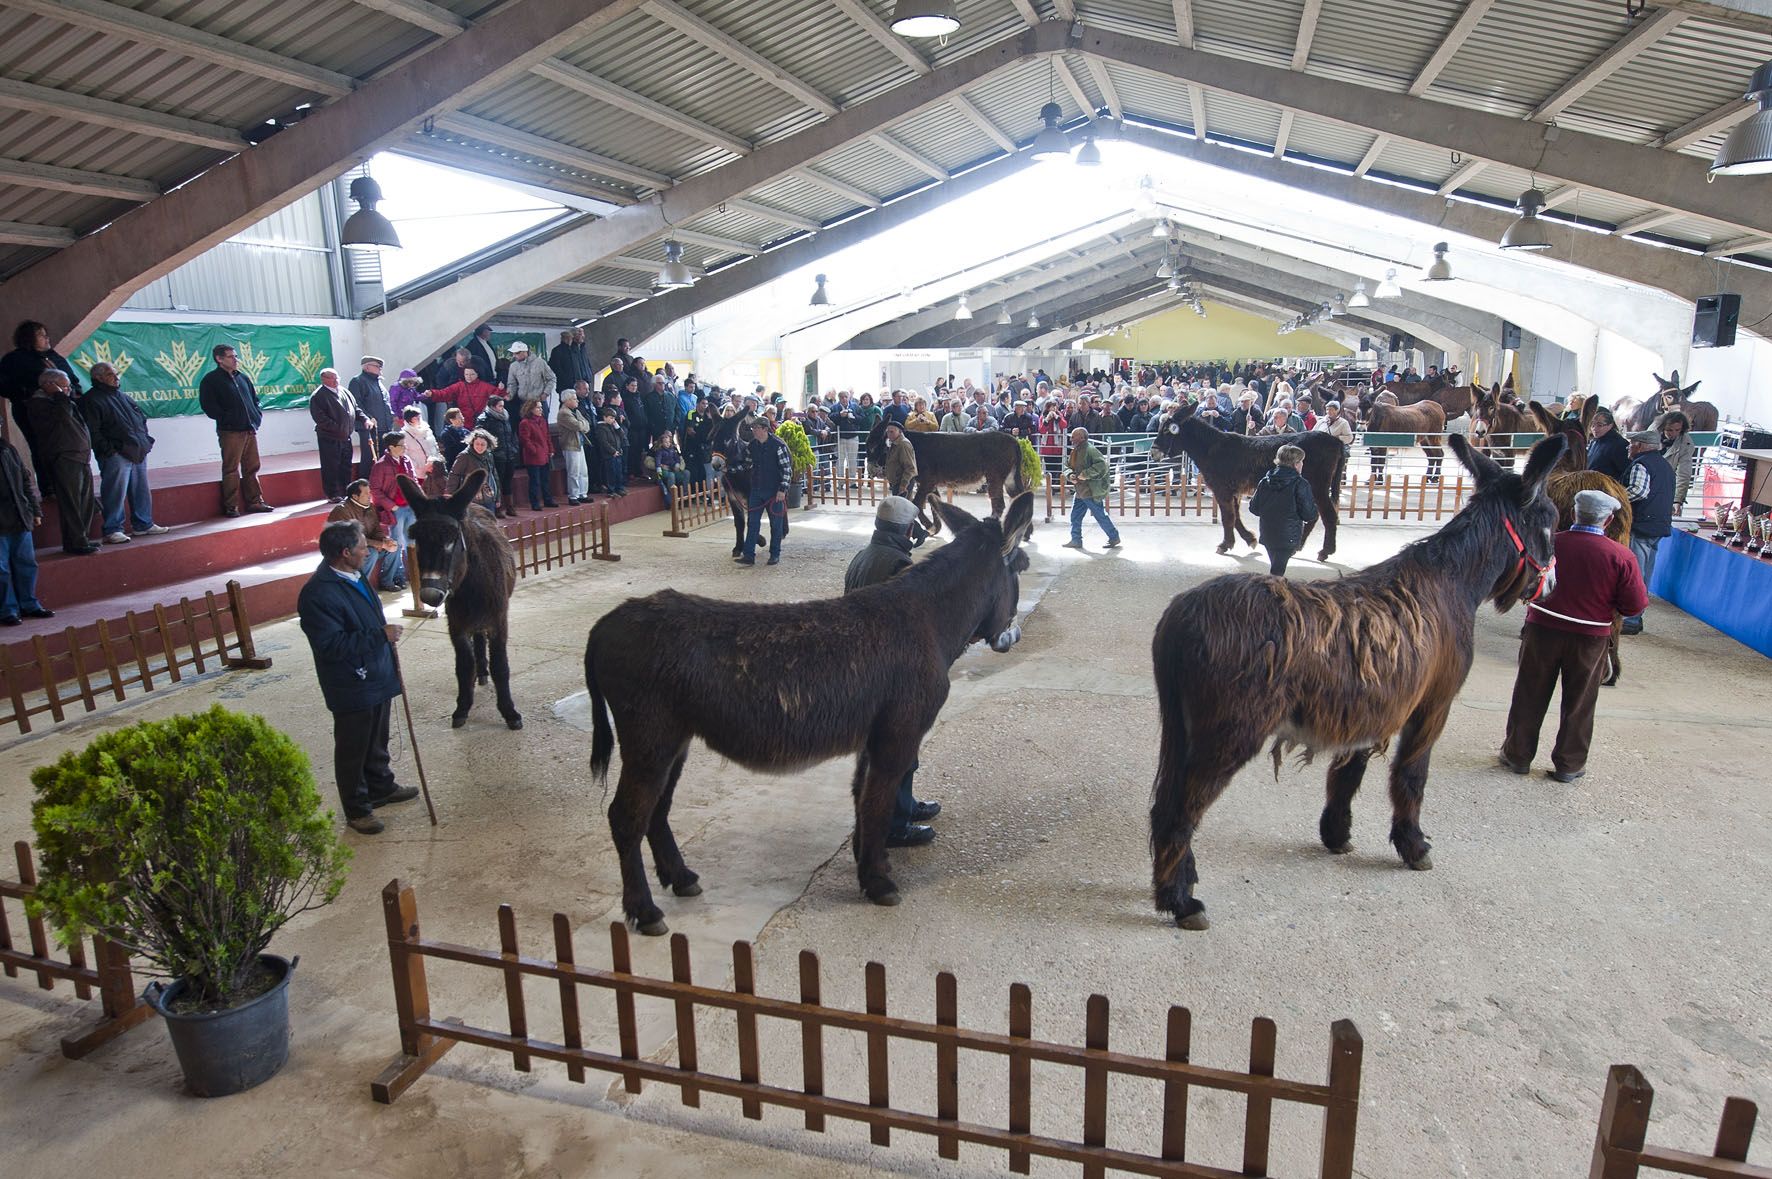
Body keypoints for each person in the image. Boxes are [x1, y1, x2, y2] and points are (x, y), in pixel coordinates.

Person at [1500, 489, 1647, 783]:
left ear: (1572, 515)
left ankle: (1517, 755)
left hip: (1542, 629)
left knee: (1529, 692)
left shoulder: (1550, 544)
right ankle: (1568, 764)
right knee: (1580, 702)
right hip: (1589, 638)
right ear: (1607, 521)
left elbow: (1520, 581)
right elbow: (1634, 605)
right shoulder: (1621, 556)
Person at [296, 520, 420, 835]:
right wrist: (380, 636)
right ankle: (357, 809)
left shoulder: (355, 575)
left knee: (377, 738)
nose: (368, 551)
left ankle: (381, 786)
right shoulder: (317, 594)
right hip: (351, 683)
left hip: (376, 674)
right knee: (353, 747)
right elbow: (330, 646)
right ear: (345, 552)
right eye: (363, 546)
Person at [843, 496, 944, 847]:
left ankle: (904, 805)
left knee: (886, 751)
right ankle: (896, 823)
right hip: (888, 672)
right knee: (897, 750)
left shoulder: (863, 557)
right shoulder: (897, 564)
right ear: (906, 529)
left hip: (862, 667)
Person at [79, 362, 167, 543]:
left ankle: (143, 524)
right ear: (99, 377)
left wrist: (146, 442)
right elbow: (92, 431)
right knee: (114, 491)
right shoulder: (91, 400)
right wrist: (110, 450)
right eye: (111, 374)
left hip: (137, 451)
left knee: (141, 489)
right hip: (116, 455)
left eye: (116, 373)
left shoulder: (124, 397)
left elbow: (140, 421)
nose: (116, 377)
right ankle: (113, 528)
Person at [0, 320, 82, 493]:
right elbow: (4, 386)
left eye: (46, 334)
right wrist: (30, 391)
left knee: (68, 446)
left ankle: (71, 486)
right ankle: (49, 487)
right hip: (31, 410)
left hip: (62, 409)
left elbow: (74, 382)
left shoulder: (55, 357)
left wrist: (69, 391)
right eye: (41, 334)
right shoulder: (15, 360)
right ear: (29, 338)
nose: (47, 338)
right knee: (39, 447)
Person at [25, 370, 98, 555]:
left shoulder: (64, 401)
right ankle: (76, 543)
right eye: (63, 387)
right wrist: (58, 394)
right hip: (64, 458)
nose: (67, 390)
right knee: (72, 505)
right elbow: (63, 418)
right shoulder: (39, 403)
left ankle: (83, 538)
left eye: (67, 387)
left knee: (85, 503)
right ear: (49, 385)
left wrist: (61, 395)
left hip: (80, 457)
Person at [197, 342, 272, 516]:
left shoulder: (242, 377)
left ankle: (255, 501)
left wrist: (256, 416)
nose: (235, 359)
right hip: (230, 431)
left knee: (252, 467)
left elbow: (254, 400)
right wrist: (228, 419)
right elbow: (209, 406)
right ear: (219, 359)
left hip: (249, 429)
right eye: (231, 356)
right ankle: (231, 505)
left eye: (235, 356)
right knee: (231, 469)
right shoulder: (211, 380)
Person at [1621, 428, 1673, 636]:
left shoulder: (1641, 464)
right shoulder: (1665, 465)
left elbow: (1638, 491)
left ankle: (1631, 618)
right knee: (1645, 573)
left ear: (1640, 446)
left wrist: (1614, 496)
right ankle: (1637, 615)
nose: (1628, 447)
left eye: (1631, 443)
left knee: (1636, 572)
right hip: (1658, 524)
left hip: (1642, 524)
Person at [0, 431, 51, 625]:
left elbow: (25, 482)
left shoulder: (8, 449)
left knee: (27, 563)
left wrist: (35, 510)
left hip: (20, 517)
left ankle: (30, 604)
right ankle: (7, 610)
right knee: (1, 570)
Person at [1249, 444, 1318, 575]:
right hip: (1288, 536)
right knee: (1277, 573)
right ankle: (1272, 593)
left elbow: (1254, 508)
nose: (1302, 464)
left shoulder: (1264, 481)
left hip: (1268, 534)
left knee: (1277, 568)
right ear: (1295, 464)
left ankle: (1274, 590)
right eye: (1301, 461)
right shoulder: (1300, 484)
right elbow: (1309, 515)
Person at [326, 478, 401, 590]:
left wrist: (385, 540)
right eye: (366, 493)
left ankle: (387, 582)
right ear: (355, 497)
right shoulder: (342, 511)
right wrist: (379, 544)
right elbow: (353, 539)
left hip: (367, 545)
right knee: (371, 553)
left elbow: (376, 530)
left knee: (395, 547)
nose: (369, 495)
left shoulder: (370, 507)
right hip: (346, 550)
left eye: (369, 492)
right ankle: (360, 587)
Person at [310, 367, 368, 502]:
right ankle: (333, 494)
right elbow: (320, 418)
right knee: (331, 466)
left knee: (346, 465)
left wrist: (364, 418)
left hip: (346, 436)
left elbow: (356, 409)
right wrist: (338, 428)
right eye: (332, 378)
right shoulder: (318, 396)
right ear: (324, 379)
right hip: (329, 437)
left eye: (337, 378)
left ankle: (346, 491)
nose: (336, 381)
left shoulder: (344, 392)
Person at [737, 417, 790, 566]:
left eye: (756, 428)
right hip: (756, 490)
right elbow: (747, 465)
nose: (753, 431)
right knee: (752, 523)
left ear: (765, 429)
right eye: (753, 428)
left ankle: (775, 554)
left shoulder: (778, 445)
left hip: (774, 491)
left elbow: (786, 469)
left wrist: (782, 489)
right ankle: (748, 555)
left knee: (776, 525)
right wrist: (732, 470)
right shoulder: (752, 446)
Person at [1061, 427, 1121, 552]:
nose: (1071, 439)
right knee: (1075, 516)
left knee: (1100, 516)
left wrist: (1086, 474)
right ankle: (1076, 539)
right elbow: (1066, 466)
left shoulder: (1091, 450)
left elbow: (1102, 466)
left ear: (1082, 438)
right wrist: (1070, 474)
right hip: (1081, 491)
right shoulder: (1075, 451)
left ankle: (1114, 537)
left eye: (1073, 436)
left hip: (1090, 491)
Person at [369, 432, 416, 591]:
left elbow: (413, 482)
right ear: (391, 447)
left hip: (410, 507)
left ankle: (404, 576)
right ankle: (388, 579)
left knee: (411, 542)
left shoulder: (407, 461)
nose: (405, 448)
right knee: (396, 544)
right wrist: (391, 506)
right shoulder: (380, 466)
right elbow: (375, 490)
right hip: (394, 510)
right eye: (402, 445)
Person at [349, 356, 393, 480]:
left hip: (384, 427)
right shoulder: (357, 381)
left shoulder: (379, 382)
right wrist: (368, 417)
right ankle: (366, 484)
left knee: (384, 458)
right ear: (367, 367)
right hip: (368, 427)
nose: (380, 370)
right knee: (369, 457)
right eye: (377, 367)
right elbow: (356, 403)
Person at [475, 394, 518, 517]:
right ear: (492, 407)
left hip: (509, 454)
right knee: (496, 482)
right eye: (500, 406)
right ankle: (498, 508)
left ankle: (510, 506)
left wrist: (514, 449)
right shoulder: (484, 419)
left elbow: (511, 435)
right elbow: (480, 437)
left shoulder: (505, 417)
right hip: (495, 456)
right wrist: (490, 452)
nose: (502, 408)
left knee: (507, 481)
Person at [517, 396, 557, 511]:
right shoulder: (525, 423)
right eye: (538, 408)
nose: (541, 410)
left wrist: (551, 449)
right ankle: (535, 502)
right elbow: (525, 440)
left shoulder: (543, 421)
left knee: (545, 479)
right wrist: (534, 450)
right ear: (531, 409)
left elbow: (547, 436)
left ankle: (547, 499)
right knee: (535, 481)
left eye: (541, 407)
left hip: (544, 454)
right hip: (533, 456)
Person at [447, 428, 502, 513]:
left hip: (488, 496)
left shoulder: (489, 456)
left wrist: (497, 496)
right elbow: (454, 475)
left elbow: (494, 476)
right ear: (472, 443)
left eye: (483, 444)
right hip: (471, 499)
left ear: (488, 445)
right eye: (477, 444)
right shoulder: (464, 456)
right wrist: (451, 495)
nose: (479, 447)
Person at [1654, 410, 1695, 515]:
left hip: (1667, 486)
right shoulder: (1652, 434)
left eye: (1677, 430)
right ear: (1663, 428)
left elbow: (1684, 474)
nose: (1673, 434)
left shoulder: (1686, 443)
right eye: (1669, 430)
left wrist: (1678, 500)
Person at [505, 340, 555, 421]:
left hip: (539, 402)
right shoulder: (513, 366)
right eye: (513, 353)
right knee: (526, 429)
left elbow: (551, 378)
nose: (514, 355)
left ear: (525, 352)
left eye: (517, 353)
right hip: (524, 403)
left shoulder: (540, 363)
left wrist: (545, 393)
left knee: (542, 428)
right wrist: (509, 395)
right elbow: (511, 384)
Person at [556, 391, 592, 504]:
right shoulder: (563, 413)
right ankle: (573, 496)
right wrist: (582, 424)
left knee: (583, 470)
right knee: (573, 471)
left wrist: (582, 424)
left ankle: (582, 493)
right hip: (570, 445)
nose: (577, 401)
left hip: (579, 444)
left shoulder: (575, 411)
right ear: (567, 400)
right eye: (574, 399)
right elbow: (577, 426)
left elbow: (587, 424)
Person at [1585, 407, 1629, 482]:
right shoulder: (1594, 441)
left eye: (1599, 425)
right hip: (1589, 482)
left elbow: (1625, 472)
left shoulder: (1620, 444)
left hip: (1605, 487)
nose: (1594, 428)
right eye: (1592, 425)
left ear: (1610, 425)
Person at [879, 418, 918, 498]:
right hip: (897, 481)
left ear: (900, 432)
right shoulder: (895, 443)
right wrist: (885, 473)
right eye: (888, 432)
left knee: (903, 507)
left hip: (903, 482)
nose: (889, 434)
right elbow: (893, 463)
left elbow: (910, 468)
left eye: (892, 432)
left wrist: (903, 485)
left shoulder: (903, 444)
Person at [594, 406, 628, 498]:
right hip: (609, 455)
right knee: (611, 473)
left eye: (614, 418)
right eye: (611, 418)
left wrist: (617, 427)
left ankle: (619, 488)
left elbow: (622, 436)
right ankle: (611, 490)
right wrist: (613, 451)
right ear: (604, 417)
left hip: (617, 453)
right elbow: (604, 442)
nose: (613, 420)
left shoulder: (613, 426)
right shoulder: (601, 428)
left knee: (618, 472)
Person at [654, 430, 687, 505]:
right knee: (671, 476)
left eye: (669, 442)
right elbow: (657, 461)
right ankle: (672, 499)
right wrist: (659, 472)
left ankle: (685, 497)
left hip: (673, 469)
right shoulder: (659, 451)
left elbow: (677, 458)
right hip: (664, 470)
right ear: (662, 443)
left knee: (686, 473)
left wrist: (677, 464)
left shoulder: (673, 449)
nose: (668, 444)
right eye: (665, 442)